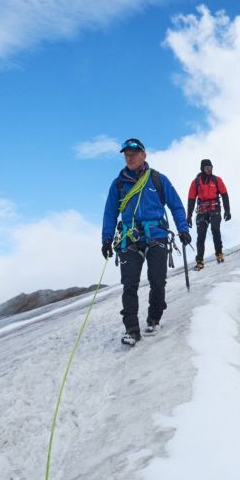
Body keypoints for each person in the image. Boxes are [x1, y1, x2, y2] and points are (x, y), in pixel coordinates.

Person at [101, 138, 192, 346]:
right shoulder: (118, 184)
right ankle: (132, 330)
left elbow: (176, 206)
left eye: (133, 153)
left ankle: (154, 318)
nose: (129, 156)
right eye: (126, 153)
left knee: (158, 280)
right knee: (129, 285)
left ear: (144, 154)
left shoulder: (158, 180)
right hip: (129, 238)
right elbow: (109, 214)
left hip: (156, 235)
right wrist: (106, 239)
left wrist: (183, 229)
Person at [185, 158, 231, 269]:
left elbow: (224, 195)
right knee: (201, 235)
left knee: (215, 229)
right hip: (202, 211)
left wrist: (227, 210)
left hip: (215, 208)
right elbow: (191, 199)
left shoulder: (217, 180)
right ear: (202, 169)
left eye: (210, 168)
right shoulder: (196, 182)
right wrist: (189, 216)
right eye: (207, 168)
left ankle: (219, 253)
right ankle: (200, 261)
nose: (209, 170)